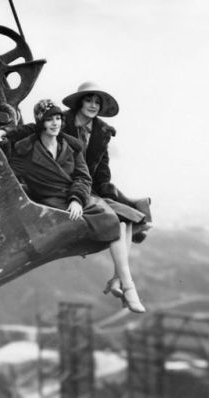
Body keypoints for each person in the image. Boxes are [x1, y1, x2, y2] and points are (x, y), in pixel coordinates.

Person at [0, 99, 145, 313]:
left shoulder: (72, 145)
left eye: (58, 118)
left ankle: (120, 281)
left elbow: (83, 177)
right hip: (53, 200)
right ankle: (127, 286)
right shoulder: (25, 150)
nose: (55, 124)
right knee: (114, 221)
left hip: (76, 197)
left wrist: (76, 198)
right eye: (49, 120)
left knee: (122, 220)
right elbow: (7, 162)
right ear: (41, 123)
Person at [61, 81, 152, 301]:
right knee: (117, 218)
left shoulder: (102, 132)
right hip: (64, 184)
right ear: (79, 101)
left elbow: (102, 171)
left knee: (127, 218)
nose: (93, 105)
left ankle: (117, 279)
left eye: (97, 102)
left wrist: (107, 192)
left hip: (89, 187)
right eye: (89, 100)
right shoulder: (61, 121)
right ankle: (123, 283)